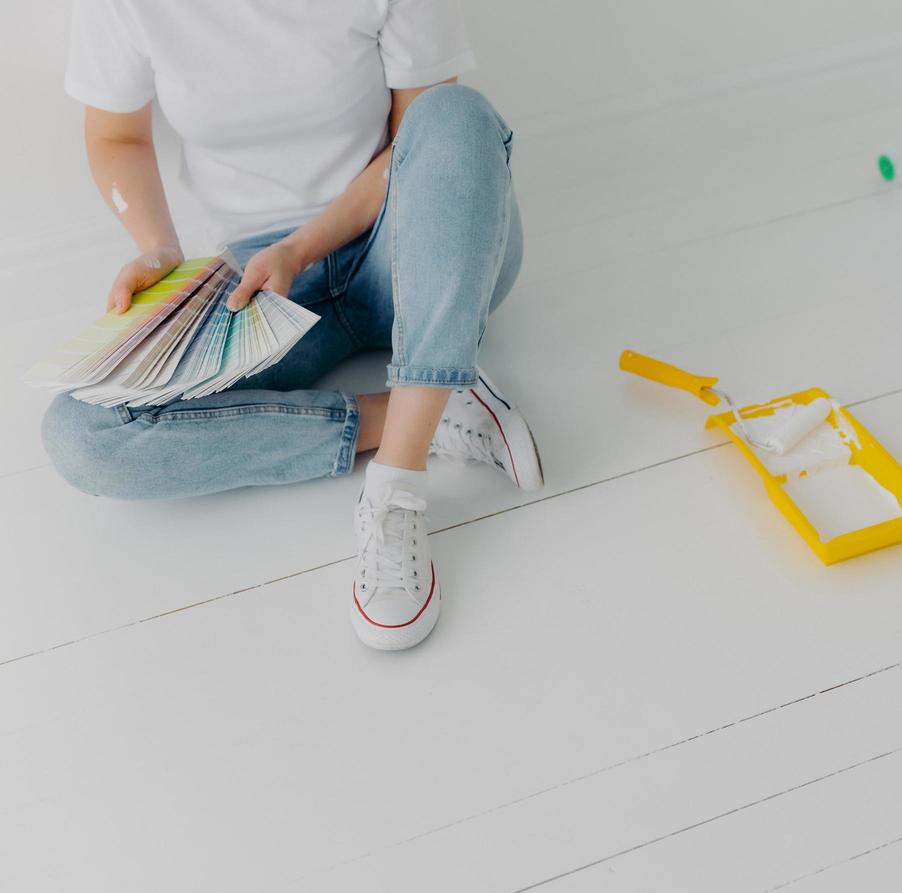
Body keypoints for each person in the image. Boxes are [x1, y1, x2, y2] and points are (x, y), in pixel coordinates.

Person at [41, 0, 540, 651]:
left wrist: (303, 247)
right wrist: (160, 250)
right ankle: (425, 409)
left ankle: (396, 483)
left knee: (459, 113)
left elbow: (427, 138)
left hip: (415, 242)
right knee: (84, 432)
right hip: (260, 281)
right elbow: (117, 136)